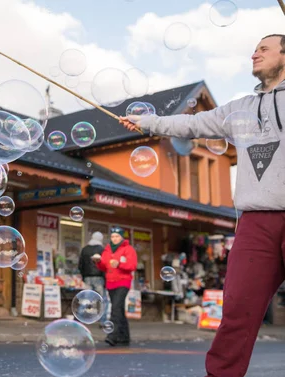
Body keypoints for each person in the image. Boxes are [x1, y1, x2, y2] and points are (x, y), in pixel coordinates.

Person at [119, 34, 285, 376]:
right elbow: (191, 124)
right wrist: (146, 123)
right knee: (237, 310)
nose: (253, 53)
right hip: (255, 224)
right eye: (253, 48)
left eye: (264, 49)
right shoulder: (237, 109)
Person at [93, 226, 137, 347]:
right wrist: (98, 262)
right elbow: (104, 267)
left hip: (123, 282)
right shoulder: (107, 250)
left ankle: (112, 336)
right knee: (120, 310)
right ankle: (124, 338)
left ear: (122, 237)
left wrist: (119, 264)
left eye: (117, 236)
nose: (114, 239)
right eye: (112, 236)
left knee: (116, 308)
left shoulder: (128, 249)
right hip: (111, 283)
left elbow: (132, 266)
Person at [78, 231, 108, 323]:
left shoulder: (84, 249)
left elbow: (80, 265)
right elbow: (104, 265)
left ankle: (79, 318)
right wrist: (105, 280)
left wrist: (83, 277)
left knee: (86, 298)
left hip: (87, 277)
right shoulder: (102, 249)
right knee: (102, 300)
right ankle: (103, 321)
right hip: (99, 277)